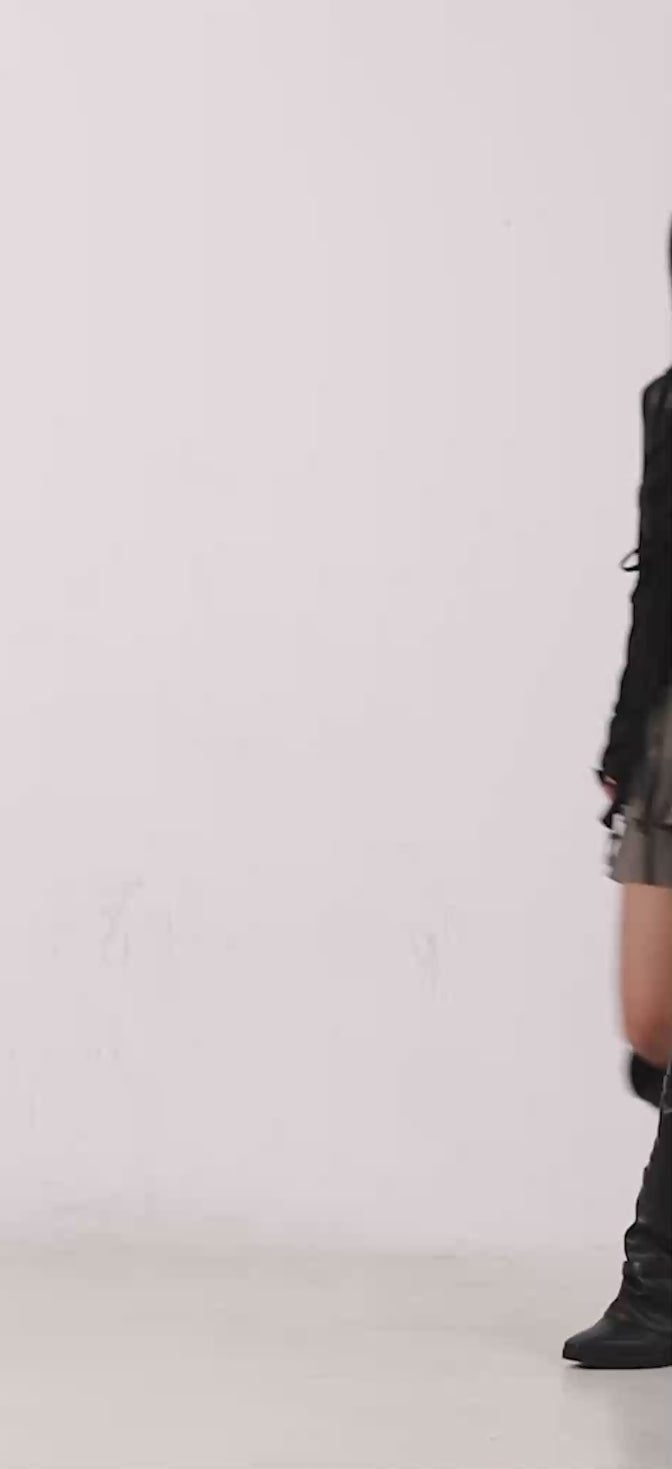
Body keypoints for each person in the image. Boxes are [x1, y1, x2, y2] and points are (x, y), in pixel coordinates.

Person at [562, 232, 672, 1370]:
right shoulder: (670, 400)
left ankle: (658, 1287)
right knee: (652, 1025)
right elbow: (661, 583)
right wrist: (624, 738)